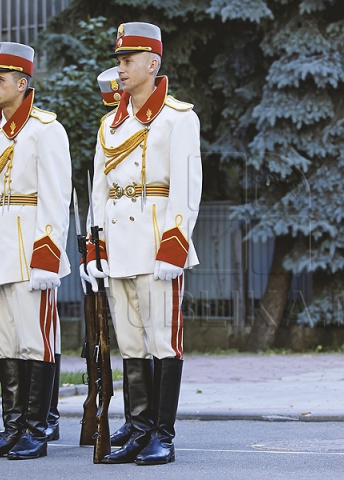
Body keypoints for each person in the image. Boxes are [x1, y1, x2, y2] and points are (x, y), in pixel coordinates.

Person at [83, 21, 202, 465]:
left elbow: (186, 190)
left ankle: (161, 434)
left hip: (155, 246)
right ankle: (137, 427)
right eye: (119, 60)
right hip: (118, 246)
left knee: (162, 342)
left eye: (128, 59)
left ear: (153, 63)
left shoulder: (176, 118)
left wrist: (174, 244)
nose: (121, 67)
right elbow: (99, 191)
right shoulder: (110, 123)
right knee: (131, 342)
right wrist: (95, 249)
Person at [0, 42, 72, 460]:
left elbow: (56, 199)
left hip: (28, 252)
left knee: (34, 343)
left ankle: (36, 430)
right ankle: (13, 427)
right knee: (4, 344)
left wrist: (47, 256)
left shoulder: (45, 129)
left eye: (0, 79)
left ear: (23, 84)